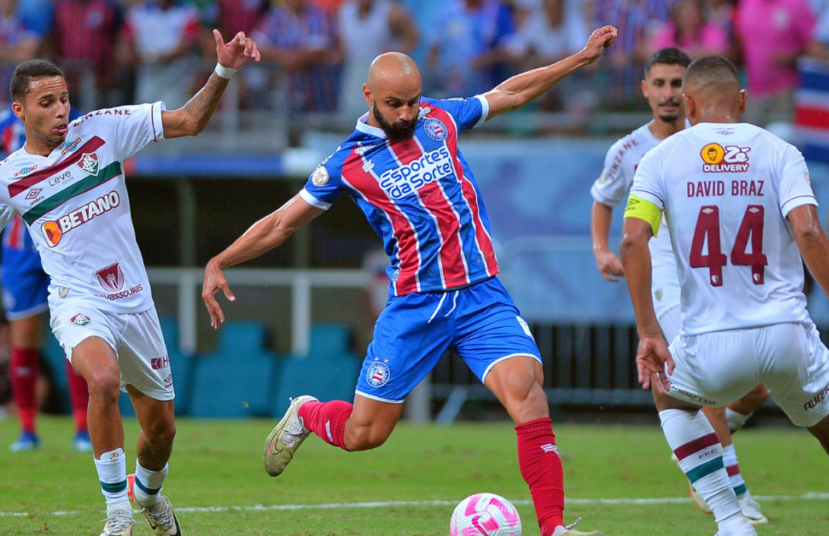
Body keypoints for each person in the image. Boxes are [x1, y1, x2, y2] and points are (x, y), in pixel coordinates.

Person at [202, 27, 618, 536]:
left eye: (413, 102)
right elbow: (282, 223)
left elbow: (510, 93)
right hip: (415, 307)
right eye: (395, 104)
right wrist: (220, 259)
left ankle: (554, 528)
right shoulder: (347, 164)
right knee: (364, 434)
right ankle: (308, 414)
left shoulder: (440, 118)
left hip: (481, 297)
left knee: (528, 393)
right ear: (369, 97)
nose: (406, 114)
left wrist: (578, 58)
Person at [0, 31, 259, 536]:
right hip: (76, 300)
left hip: (135, 304)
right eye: (47, 102)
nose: (62, 109)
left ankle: (149, 494)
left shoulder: (104, 131)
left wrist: (223, 71)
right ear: (19, 111)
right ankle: (116, 513)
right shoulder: (6, 178)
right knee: (104, 380)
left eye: (65, 98)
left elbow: (190, 121)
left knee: (161, 432)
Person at [620, 55, 829, 536]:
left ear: (687, 104)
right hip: (786, 333)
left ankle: (732, 521)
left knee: (669, 396)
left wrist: (649, 330)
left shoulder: (659, 159)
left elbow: (632, 242)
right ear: (742, 101)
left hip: (711, 340)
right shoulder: (780, 152)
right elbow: (809, 232)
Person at [590, 47, 769, 526]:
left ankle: (691, 449)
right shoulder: (630, 150)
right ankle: (731, 491)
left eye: (677, 84)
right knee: (701, 376)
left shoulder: (709, 144)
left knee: (758, 387)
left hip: (713, 272)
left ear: (689, 94)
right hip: (664, 274)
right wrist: (600, 249)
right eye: (661, 83)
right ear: (646, 89)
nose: (668, 93)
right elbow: (603, 199)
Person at [0, 105, 92, 453]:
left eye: (58, 96)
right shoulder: (4, 126)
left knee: (77, 337)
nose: (55, 104)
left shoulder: (76, 124)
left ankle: (84, 431)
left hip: (65, 244)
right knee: (24, 339)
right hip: (19, 251)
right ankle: (27, 430)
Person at [734, 0, 815, 126]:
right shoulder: (747, 3)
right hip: (752, 92)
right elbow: (739, 39)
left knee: (781, 138)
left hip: (784, 93)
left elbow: (814, 45)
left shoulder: (796, 5)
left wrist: (793, 56)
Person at [337, 0, 419, 118]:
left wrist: (395, 54)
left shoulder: (391, 12)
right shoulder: (345, 11)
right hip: (353, 76)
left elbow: (413, 37)